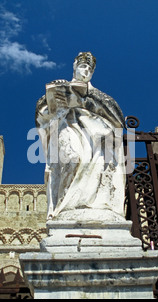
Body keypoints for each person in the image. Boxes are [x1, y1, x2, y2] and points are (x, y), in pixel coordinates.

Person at [35, 52, 127, 222]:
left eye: (89, 69)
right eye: (83, 66)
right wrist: (56, 103)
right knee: (71, 158)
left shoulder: (98, 95)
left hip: (96, 139)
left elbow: (117, 118)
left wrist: (83, 100)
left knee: (98, 167)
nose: (86, 71)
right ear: (75, 67)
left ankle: (93, 205)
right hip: (67, 128)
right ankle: (66, 206)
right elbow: (42, 114)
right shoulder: (61, 86)